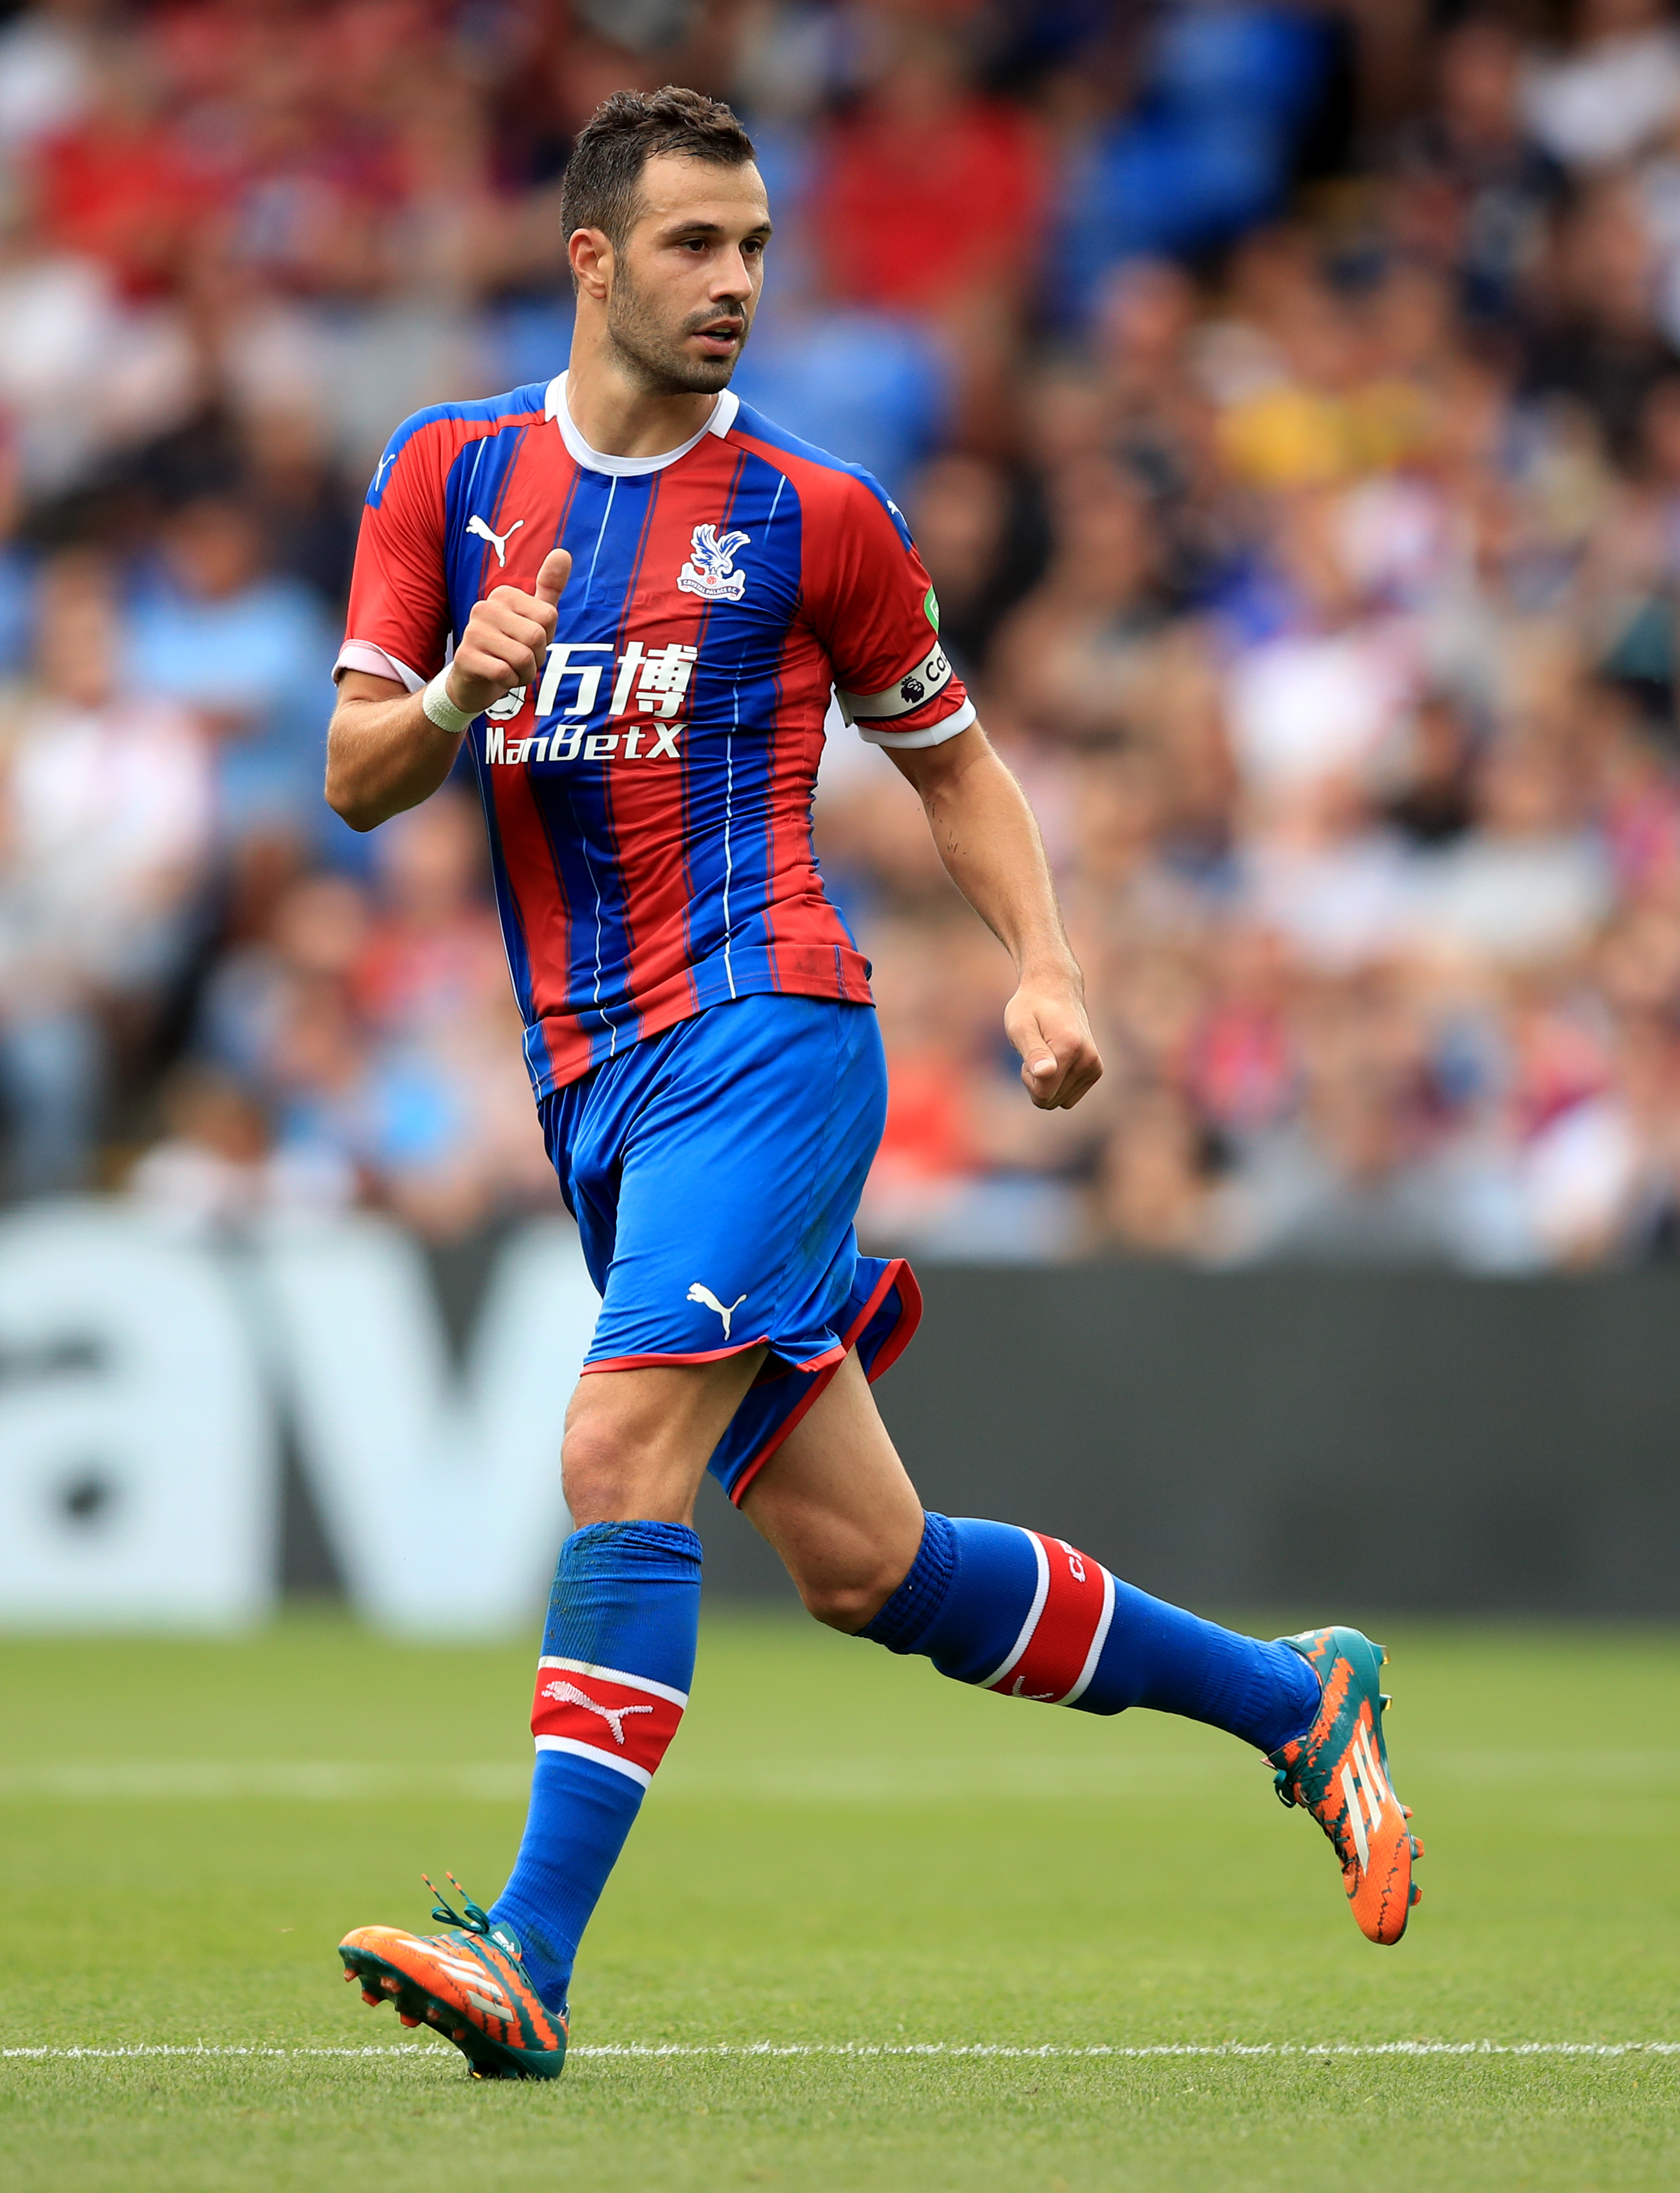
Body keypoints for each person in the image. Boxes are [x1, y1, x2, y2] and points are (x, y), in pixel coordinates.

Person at [321, 88, 1420, 2084]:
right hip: (596, 1091)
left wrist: (1045, 969)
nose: (735, 280)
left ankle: (531, 1952)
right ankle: (1293, 1700)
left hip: (771, 1037)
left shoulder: (814, 516)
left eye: (752, 246)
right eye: (691, 247)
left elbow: (957, 765)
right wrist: (464, 689)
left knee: (614, 1454)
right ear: (592, 261)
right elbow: (354, 776)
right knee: (867, 1571)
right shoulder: (444, 475)